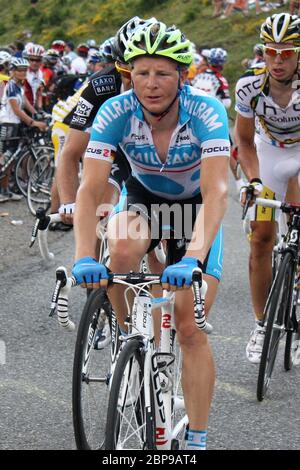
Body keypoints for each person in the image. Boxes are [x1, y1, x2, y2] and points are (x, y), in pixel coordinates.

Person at [72, 21, 230, 450]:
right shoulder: (115, 111)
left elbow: (217, 190)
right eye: (142, 72)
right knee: (119, 247)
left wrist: (192, 259)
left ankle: (196, 437)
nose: (151, 83)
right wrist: (85, 255)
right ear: (129, 74)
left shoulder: (206, 110)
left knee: (189, 326)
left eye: (162, 72)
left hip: (196, 209)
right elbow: (90, 190)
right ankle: (129, 335)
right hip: (142, 200)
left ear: (182, 75)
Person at [235, 13, 300, 364]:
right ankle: (262, 324)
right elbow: (244, 141)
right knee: (261, 237)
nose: (277, 60)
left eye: (287, 53)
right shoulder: (249, 86)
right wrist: (254, 180)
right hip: (268, 152)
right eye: (271, 52)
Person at [0, 57, 46, 202]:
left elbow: (25, 104)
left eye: (24, 70)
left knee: (11, 161)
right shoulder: (11, 86)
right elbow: (16, 110)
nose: (23, 73)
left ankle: (5, 190)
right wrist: (33, 122)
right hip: (7, 124)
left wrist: (38, 113)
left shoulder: (18, 86)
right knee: (5, 159)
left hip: (15, 125)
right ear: (12, 71)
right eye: (19, 70)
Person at [23, 43, 45, 110]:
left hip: (32, 107)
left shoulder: (41, 74)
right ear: (28, 59)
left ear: (42, 60)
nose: (34, 62)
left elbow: (39, 94)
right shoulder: (23, 72)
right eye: (32, 59)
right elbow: (21, 95)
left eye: (37, 60)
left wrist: (40, 109)